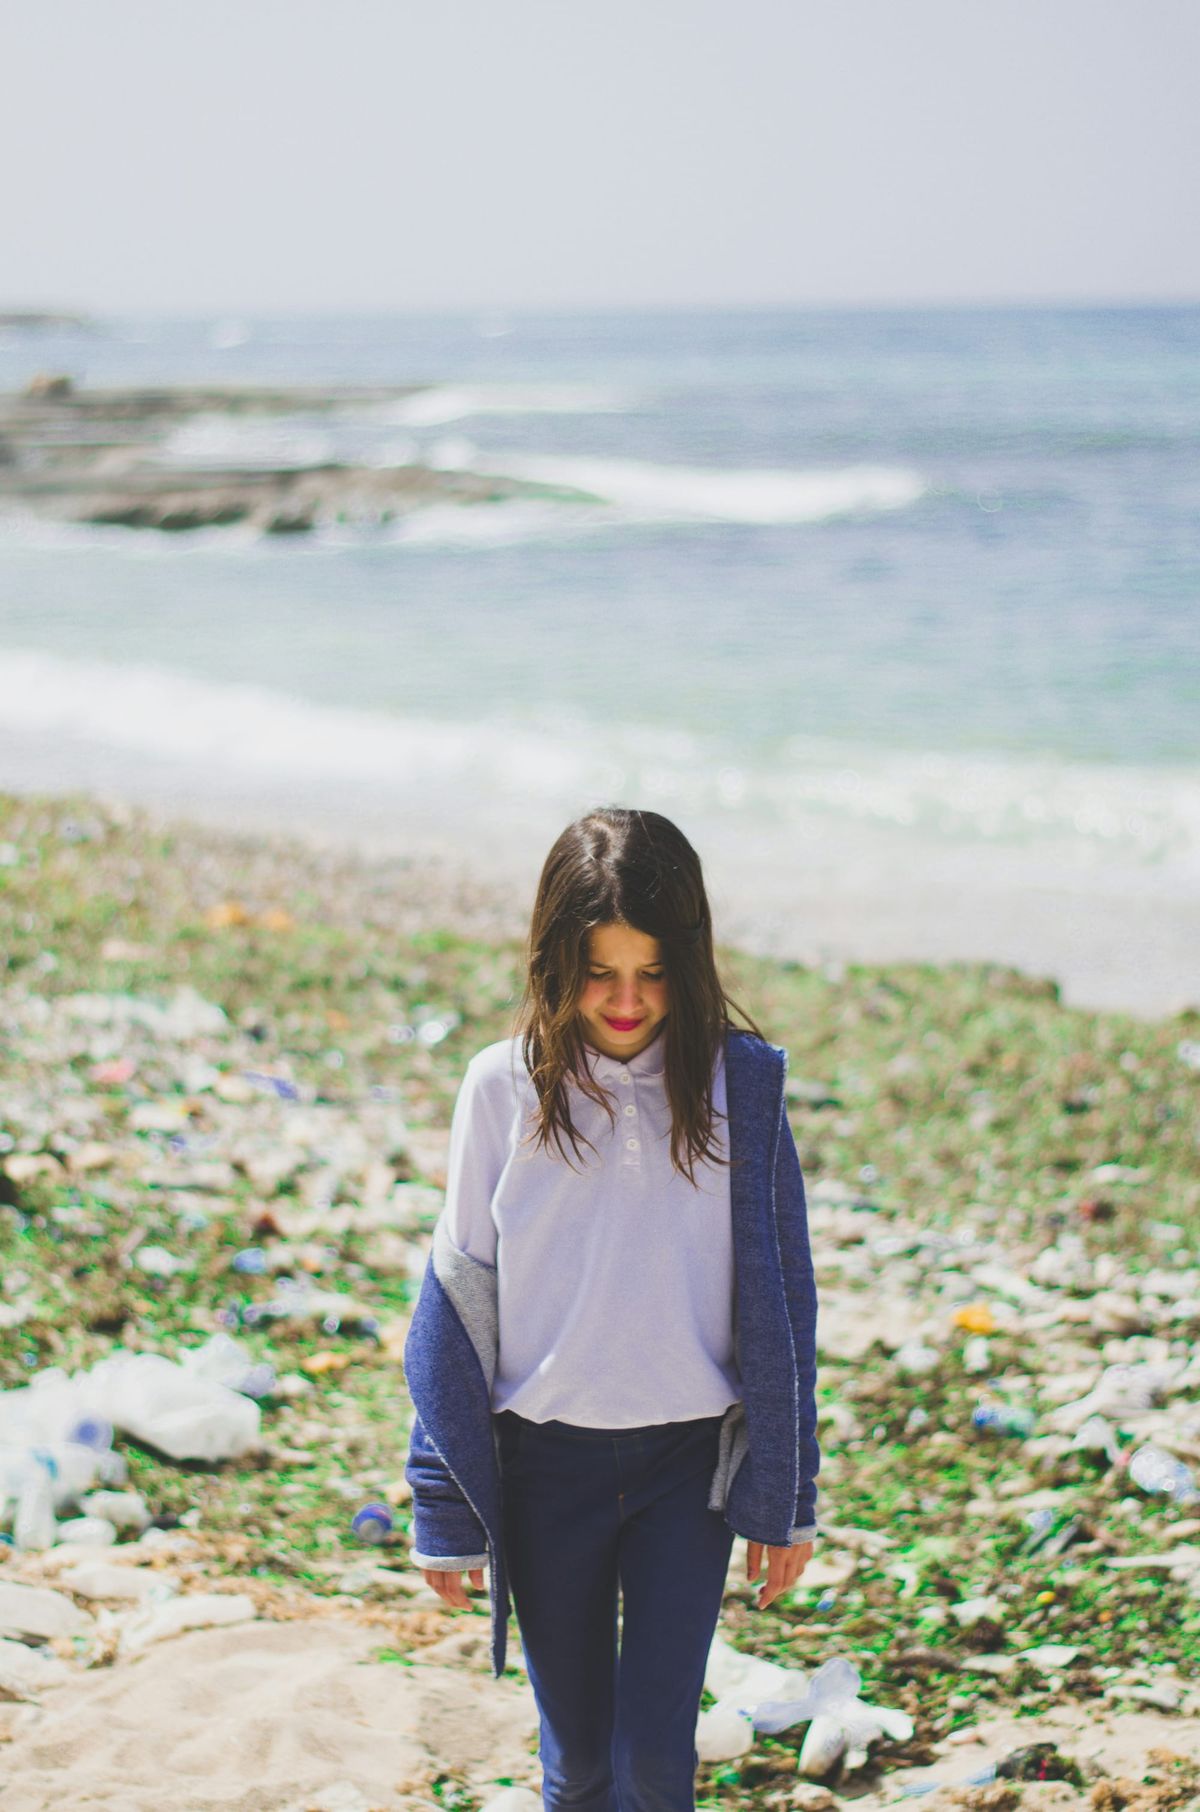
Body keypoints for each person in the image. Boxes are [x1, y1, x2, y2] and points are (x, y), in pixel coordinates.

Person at [403, 806, 821, 1812]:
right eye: (599, 971)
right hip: (546, 1470)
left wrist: (788, 1489)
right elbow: (458, 1301)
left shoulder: (741, 1090)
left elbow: (785, 1301)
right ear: (554, 961)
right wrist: (440, 1499)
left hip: (691, 1472)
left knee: (652, 1762)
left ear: (691, 959)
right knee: (580, 1764)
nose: (626, 1000)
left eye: (652, 971)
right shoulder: (501, 1089)